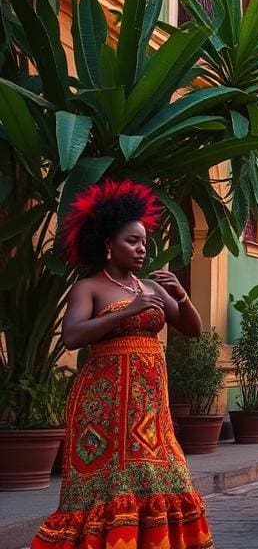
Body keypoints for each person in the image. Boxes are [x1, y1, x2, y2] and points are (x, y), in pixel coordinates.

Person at [33, 180, 212, 549]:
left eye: (144, 241)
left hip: (149, 405)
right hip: (104, 405)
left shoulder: (153, 285)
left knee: (164, 475)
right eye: (132, 241)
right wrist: (126, 312)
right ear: (108, 245)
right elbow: (73, 336)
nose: (142, 248)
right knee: (112, 483)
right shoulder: (89, 287)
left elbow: (191, 328)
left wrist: (182, 296)